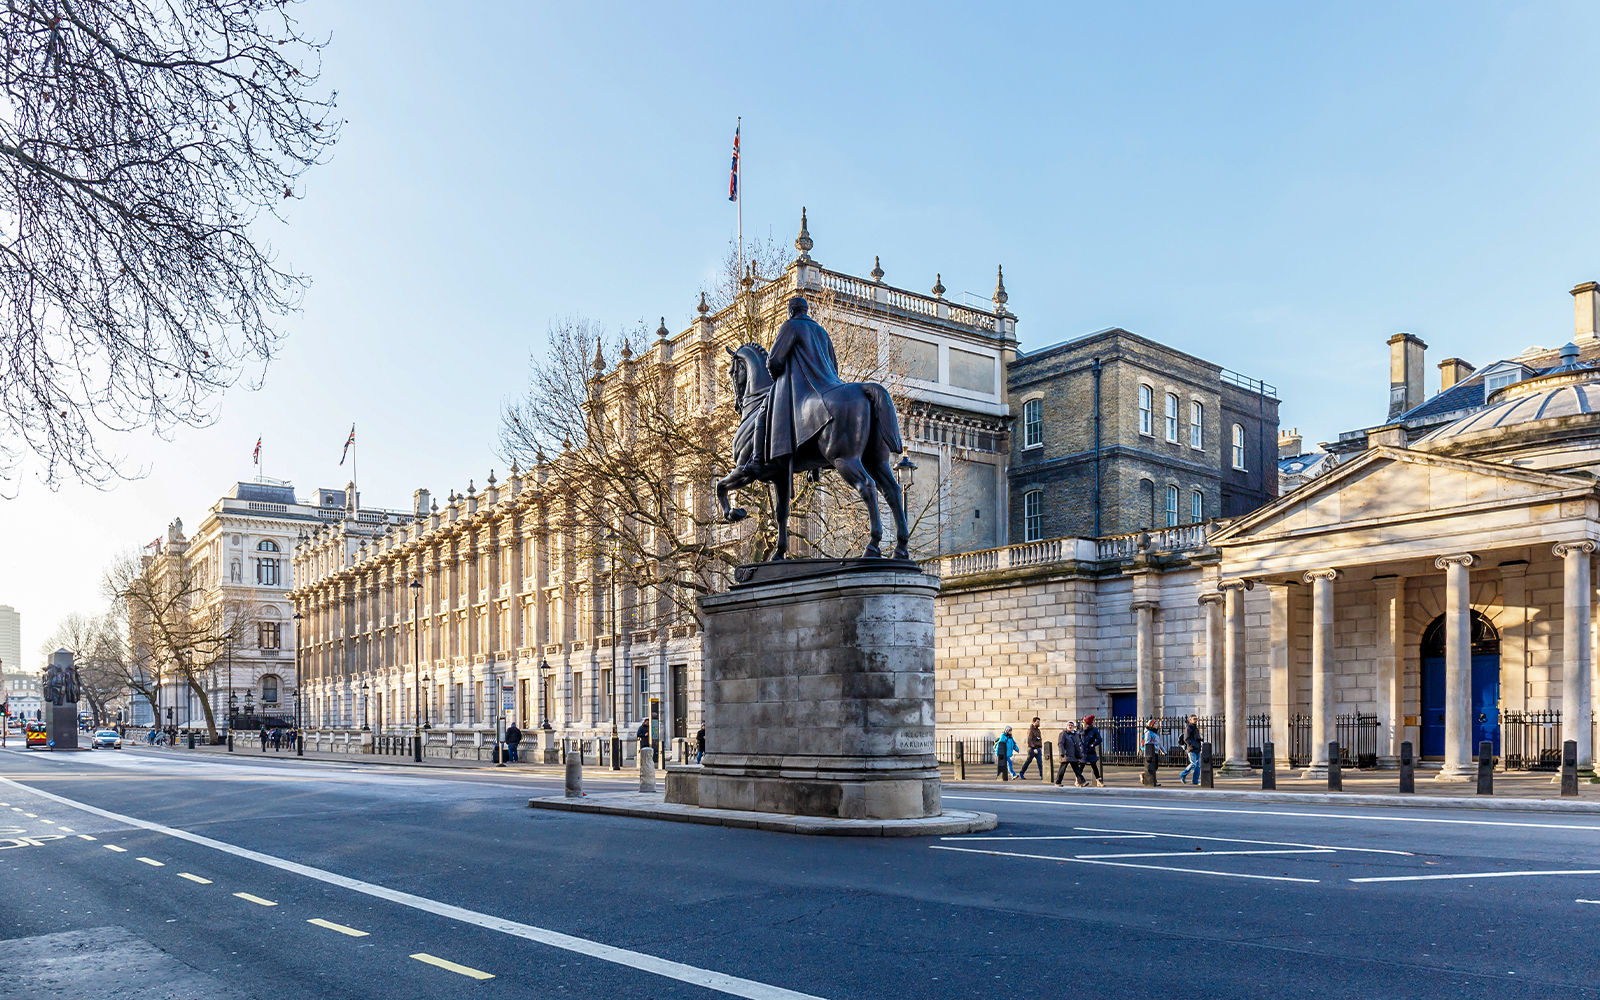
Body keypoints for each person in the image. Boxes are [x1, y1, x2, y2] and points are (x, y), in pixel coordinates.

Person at [1055, 721, 1086, 786]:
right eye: (1069, 725)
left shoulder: (1076, 734)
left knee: (1077, 770)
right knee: (1062, 769)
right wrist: (1062, 752)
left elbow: (1078, 744)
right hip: (1066, 755)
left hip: (1073, 755)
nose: (1070, 726)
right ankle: (1058, 782)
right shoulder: (1063, 734)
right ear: (1066, 726)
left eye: (1071, 725)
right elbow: (1061, 743)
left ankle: (1082, 782)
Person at [1179, 714, 1203, 785]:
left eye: (1196, 719)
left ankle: (1195, 780)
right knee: (1193, 764)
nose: (1196, 720)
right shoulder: (1188, 728)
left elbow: (1195, 737)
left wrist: (1199, 739)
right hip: (1191, 749)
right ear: (1190, 720)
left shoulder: (1195, 728)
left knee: (1198, 765)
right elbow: (1186, 738)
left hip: (1197, 748)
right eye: (1194, 719)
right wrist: (1193, 745)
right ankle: (1183, 774)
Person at [1141, 719, 1167, 787]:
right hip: (1150, 752)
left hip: (1155, 752)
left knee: (1155, 767)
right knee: (1152, 767)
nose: (1157, 725)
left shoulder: (1156, 734)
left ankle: (1144, 776)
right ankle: (1153, 781)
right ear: (1151, 725)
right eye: (1155, 724)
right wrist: (1155, 746)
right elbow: (1147, 743)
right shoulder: (1148, 733)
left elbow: (1160, 744)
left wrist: (1164, 751)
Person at [1080, 715, 1104, 787]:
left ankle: (1099, 781)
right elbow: (1078, 738)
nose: (1082, 723)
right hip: (1083, 750)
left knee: (1094, 766)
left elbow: (1099, 739)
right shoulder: (1082, 730)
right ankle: (1078, 780)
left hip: (1090, 750)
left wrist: (1093, 744)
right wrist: (1080, 744)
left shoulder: (1094, 730)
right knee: (1081, 766)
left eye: (1083, 722)